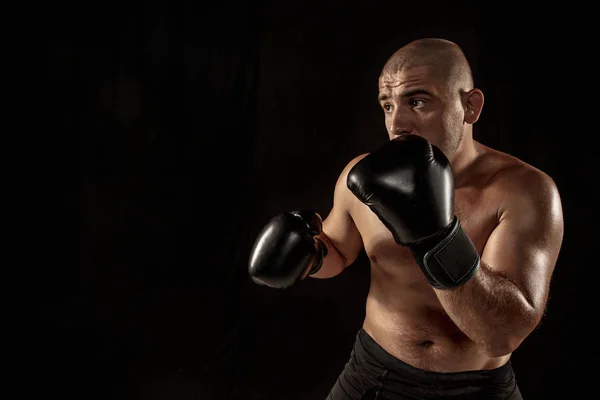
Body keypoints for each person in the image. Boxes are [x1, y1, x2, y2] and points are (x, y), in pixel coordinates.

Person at [248, 38, 564, 400]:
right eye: (387, 105)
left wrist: (437, 237)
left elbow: (501, 336)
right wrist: (308, 255)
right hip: (373, 373)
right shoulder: (363, 178)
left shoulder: (525, 192)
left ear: (470, 106)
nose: (397, 123)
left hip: (478, 388)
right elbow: (337, 248)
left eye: (417, 101)